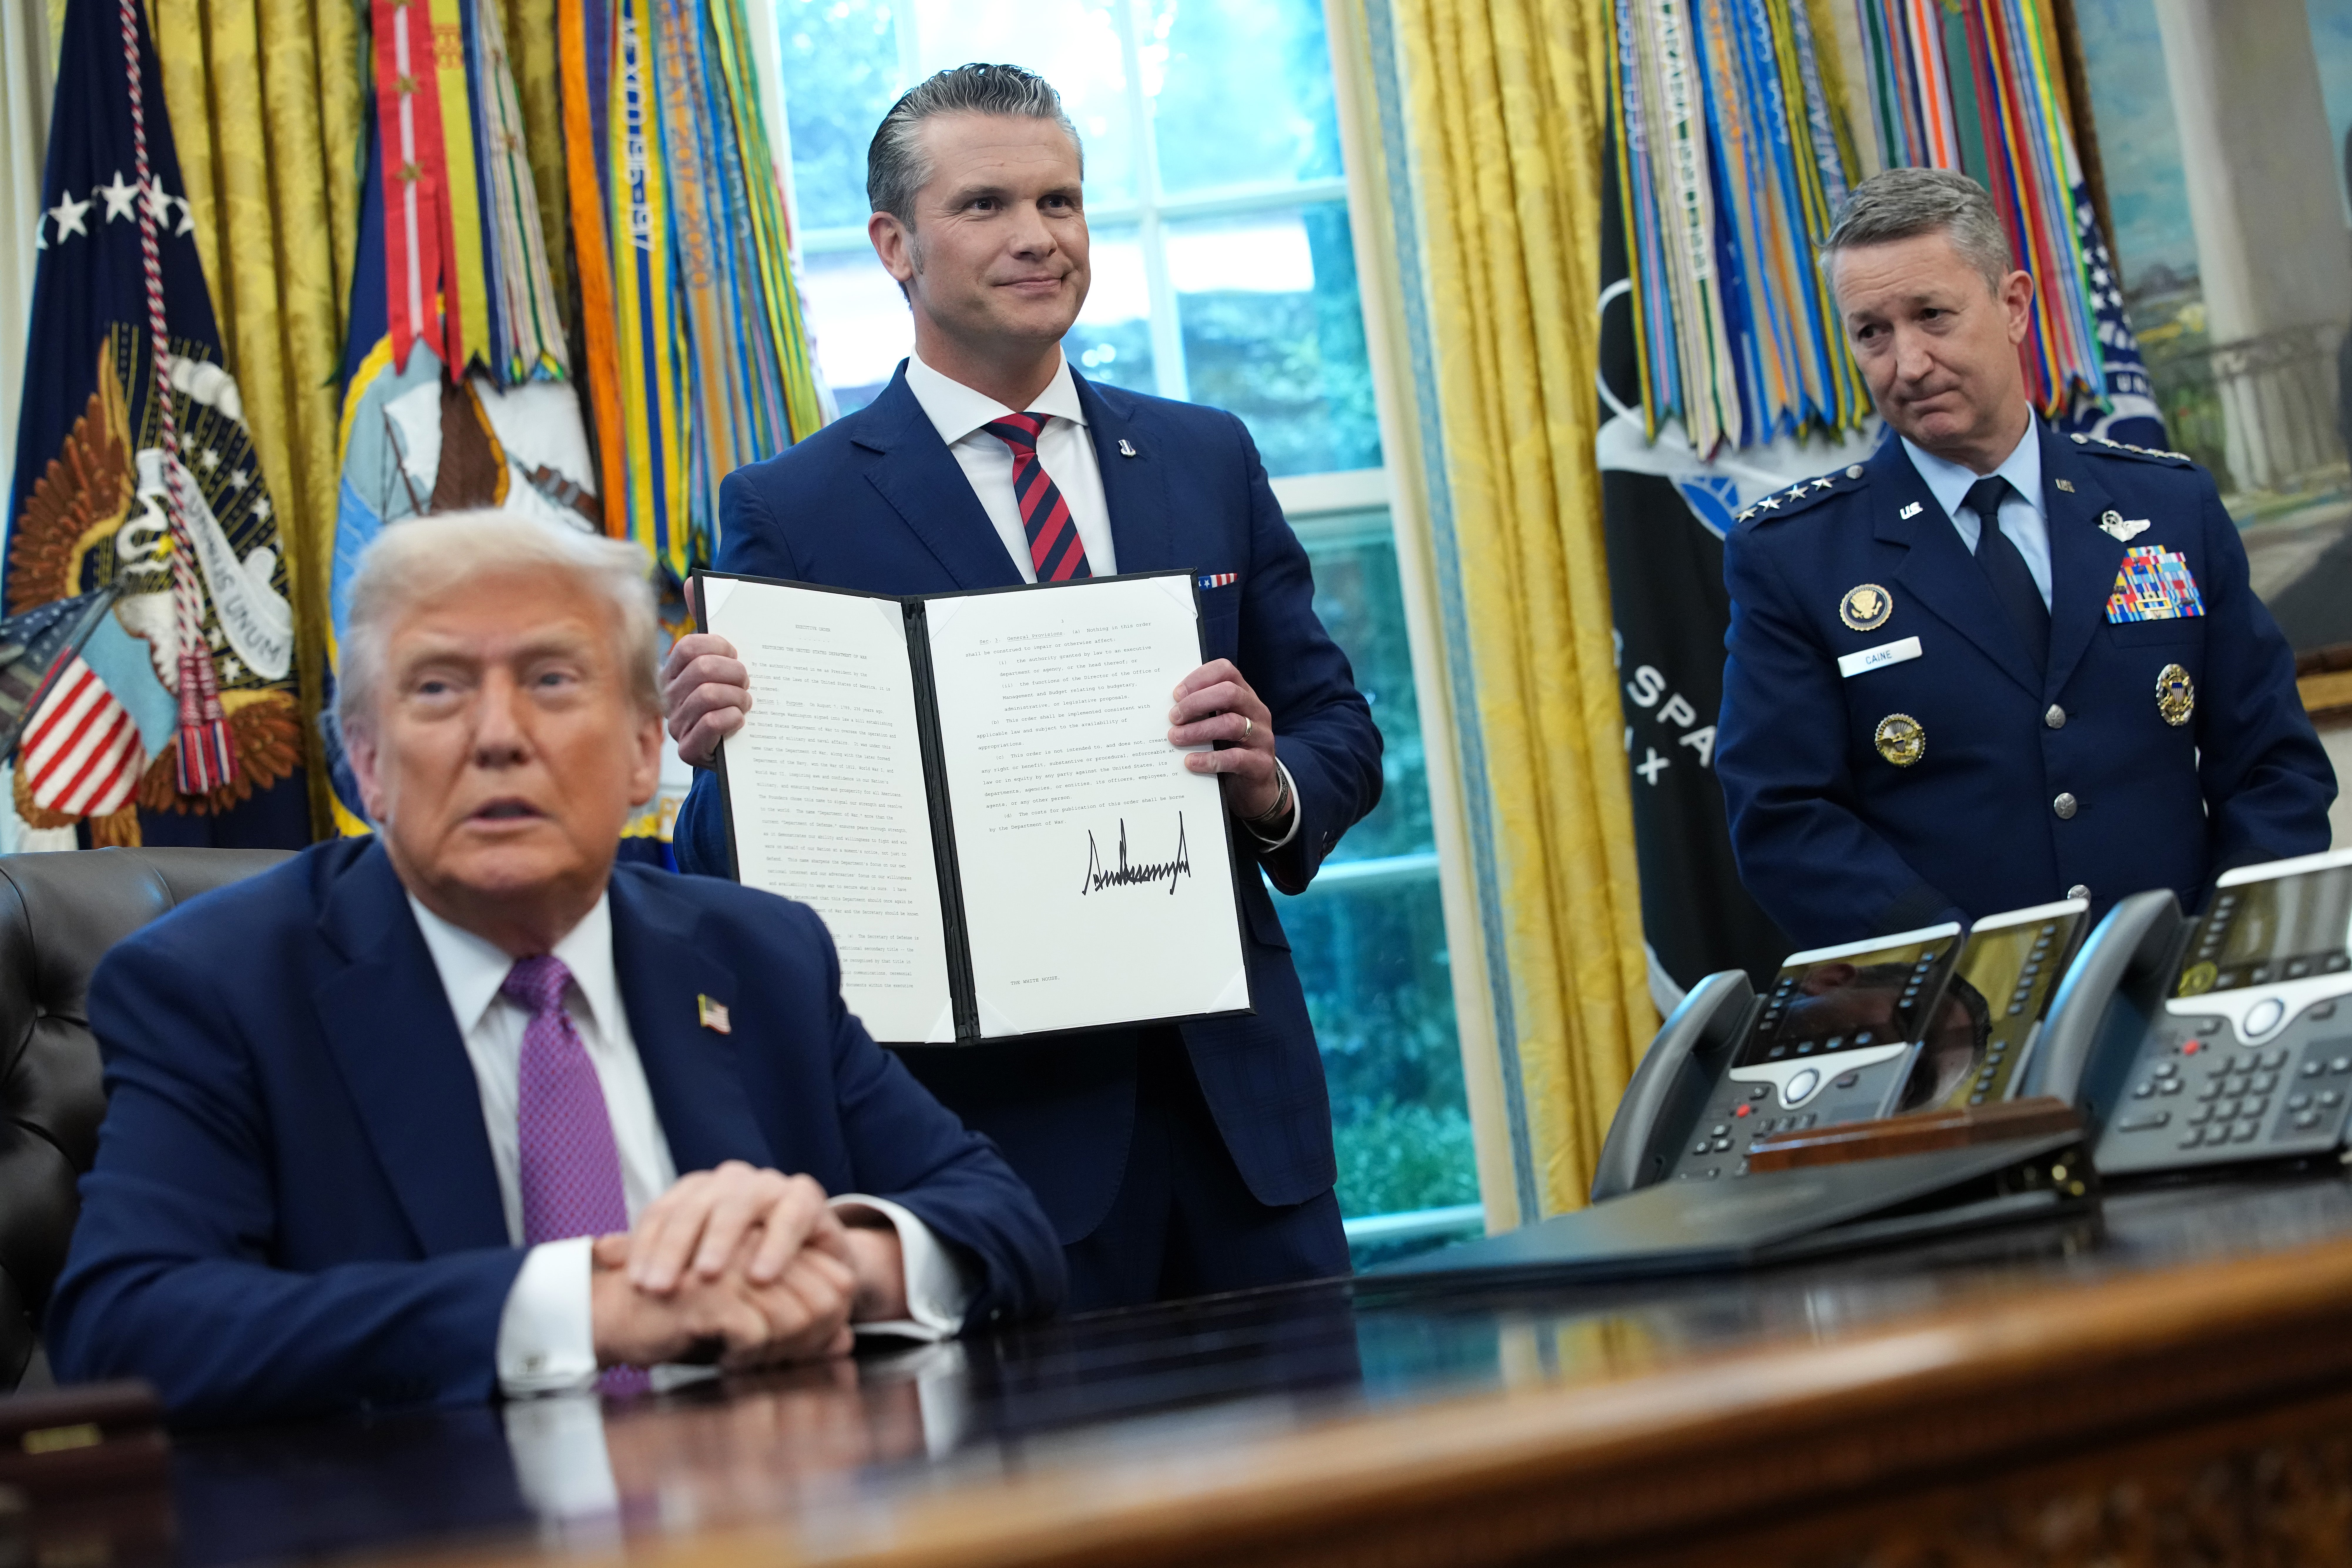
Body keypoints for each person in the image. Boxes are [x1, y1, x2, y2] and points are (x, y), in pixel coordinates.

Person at [47, 513, 1062, 1424]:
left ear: (638, 752)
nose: (500, 737)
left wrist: (839, 1266)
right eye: (438, 687)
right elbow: (130, 1323)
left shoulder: (762, 954)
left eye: (551, 680)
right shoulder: (216, 985)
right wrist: (586, 1305)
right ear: (367, 762)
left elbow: (1002, 1219)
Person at [659, 64, 1384, 1310]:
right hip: (997, 1150)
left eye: (1063, 201)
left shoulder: (1206, 455)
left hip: (1246, 1132)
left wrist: (1271, 782)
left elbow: (1340, 733)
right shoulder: (792, 510)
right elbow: (746, 876)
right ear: (894, 244)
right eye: (986, 205)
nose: (1039, 237)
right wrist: (721, 758)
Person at [1717, 168, 2335, 948]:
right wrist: (1970, 983)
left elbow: (2272, 767)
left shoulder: (2169, 511)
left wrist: (2229, 952)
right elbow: (1784, 821)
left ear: (2014, 305)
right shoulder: (1797, 558)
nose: (1908, 363)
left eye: (1933, 316)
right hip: (1956, 1031)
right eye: (1872, 332)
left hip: (2175, 1003)